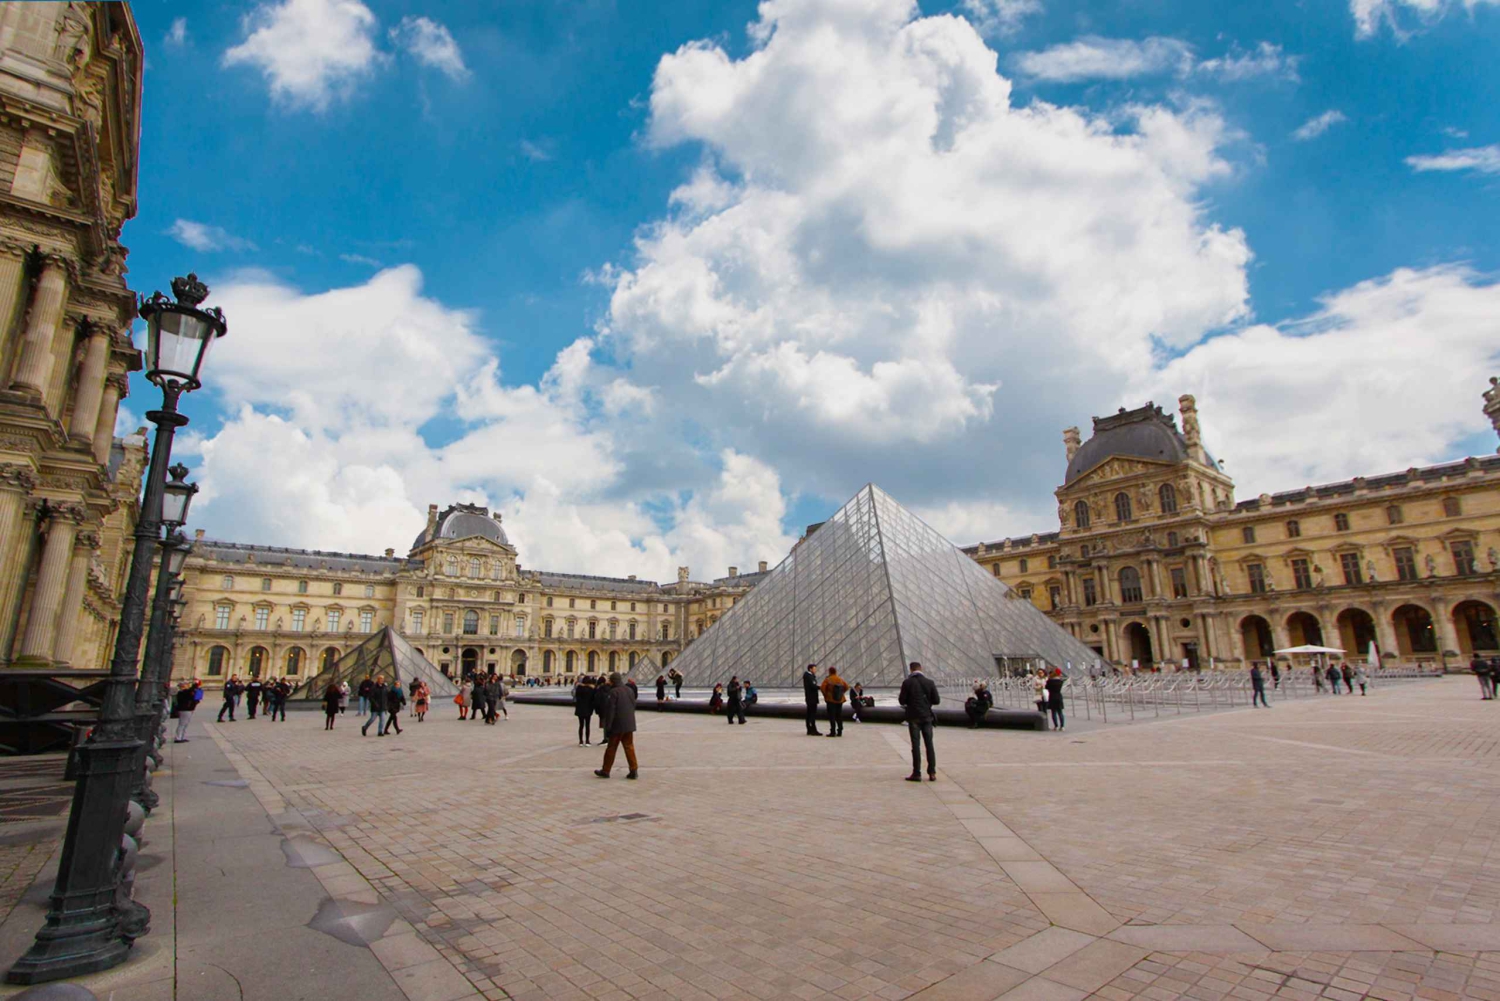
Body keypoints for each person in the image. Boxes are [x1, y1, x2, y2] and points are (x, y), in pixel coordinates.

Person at [899, 662, 939, 782]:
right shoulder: (929, 682)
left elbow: (901, 701)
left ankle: (916, 773)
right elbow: (936, 700)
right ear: (921, 668)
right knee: (929, 745)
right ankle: (932, 772)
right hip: (927, 717)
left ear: (911, 670)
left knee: (915, 746)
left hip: (913, 717)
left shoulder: (907, 683)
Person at [594, 672, 639, 779]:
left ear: (613, 681)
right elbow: (633, 705)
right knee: (629, 747)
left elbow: (611, 711)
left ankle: (606, 770)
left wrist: (608, 727)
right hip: (629, 723)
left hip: (617, 725)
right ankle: (633, 770)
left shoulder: (613, 692)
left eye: (610, 680)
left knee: (611, 748)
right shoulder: (629, 690)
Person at [821, 666, 849, 737]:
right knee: (839, 715)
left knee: (832, 716)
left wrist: (826, 695)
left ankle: (833, 732)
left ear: (829, 672)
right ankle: (840, 731)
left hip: (831, 700)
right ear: (836, 671)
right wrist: (841, 693)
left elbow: (822, 688)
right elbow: (847, 687)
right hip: (840, 700)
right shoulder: (840, 679)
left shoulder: (828, 679)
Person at [574, 676, 596, 745]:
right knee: (587, 725)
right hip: (588, 709)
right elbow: (594, 699)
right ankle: (587, 741)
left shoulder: (579, 688)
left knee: (581, 725)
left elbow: (576, 697)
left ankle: (580, 741)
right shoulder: (591, 689)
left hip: (580, 709)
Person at [802, 664, 821, 736]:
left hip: (810, 698)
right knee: (812, 714)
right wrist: (821, 687)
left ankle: (809, 729)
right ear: (810, 669)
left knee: (809, 714)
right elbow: (813, 686)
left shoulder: (808, 676)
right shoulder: (809, 677)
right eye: (814, 669)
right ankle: (813, 730)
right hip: (812, 698)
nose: (815, 670)